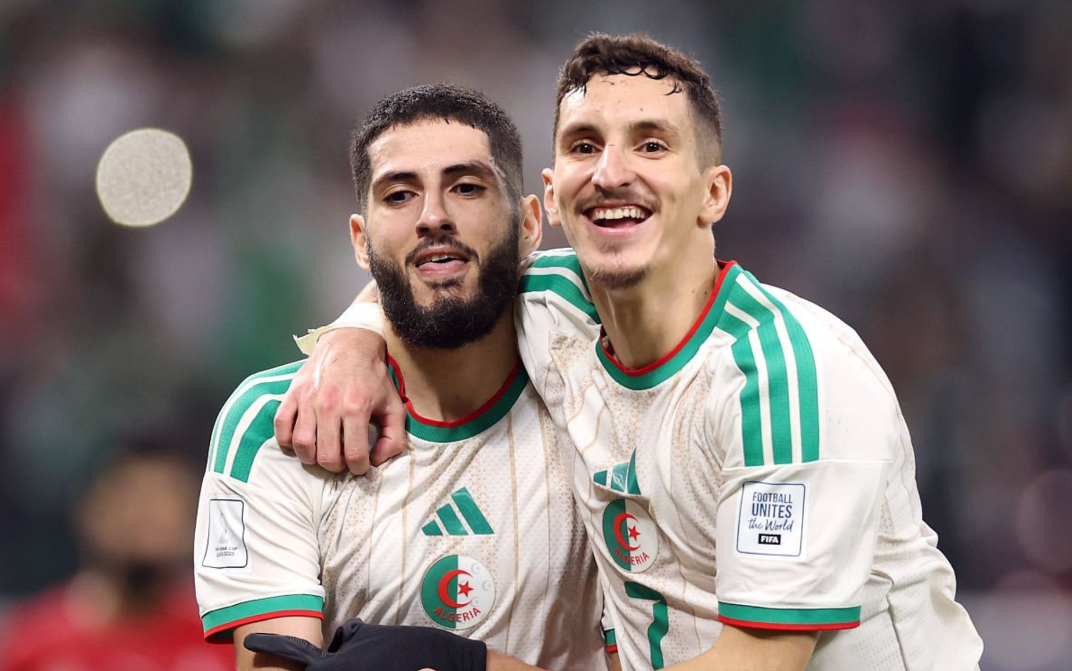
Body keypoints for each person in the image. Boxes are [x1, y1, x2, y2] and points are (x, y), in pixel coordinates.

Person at [280, 34, 984, 670]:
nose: (611, 173)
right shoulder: (548, 307)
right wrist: (352, 341)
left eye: (651, 145)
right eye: (585, 146)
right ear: (551, 197)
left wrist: (472, 667)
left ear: (713, 193)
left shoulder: (786, 378)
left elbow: (757, 665)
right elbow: (433, 271)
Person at [193, 84, 613, 671]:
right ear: (361, 242)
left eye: (466, 187)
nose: (433, 216)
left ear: (528, 224)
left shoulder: (600, 372)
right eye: (399, 195)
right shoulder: (275, 424)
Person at [0, 436, 233, 671]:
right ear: (88, 509)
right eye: (130, 496)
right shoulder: (34, 646)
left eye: (166, 497)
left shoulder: (229, 639)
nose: (147, 515)